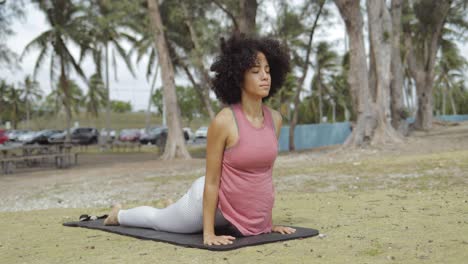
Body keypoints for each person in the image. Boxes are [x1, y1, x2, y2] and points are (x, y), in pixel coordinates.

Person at [104, 33, 296, 246]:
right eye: (255, 71)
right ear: (239, 78)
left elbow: (264, 177)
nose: (265, 76)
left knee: (169, 214)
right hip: (208, 204)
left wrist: (267, 225)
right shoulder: (224, 121)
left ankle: (172, 206)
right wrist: (208, 233)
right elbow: (213, 181)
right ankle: (118, 215)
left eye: (268, 71)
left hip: (237, 215)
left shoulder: (275, 120)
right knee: (158, 220)